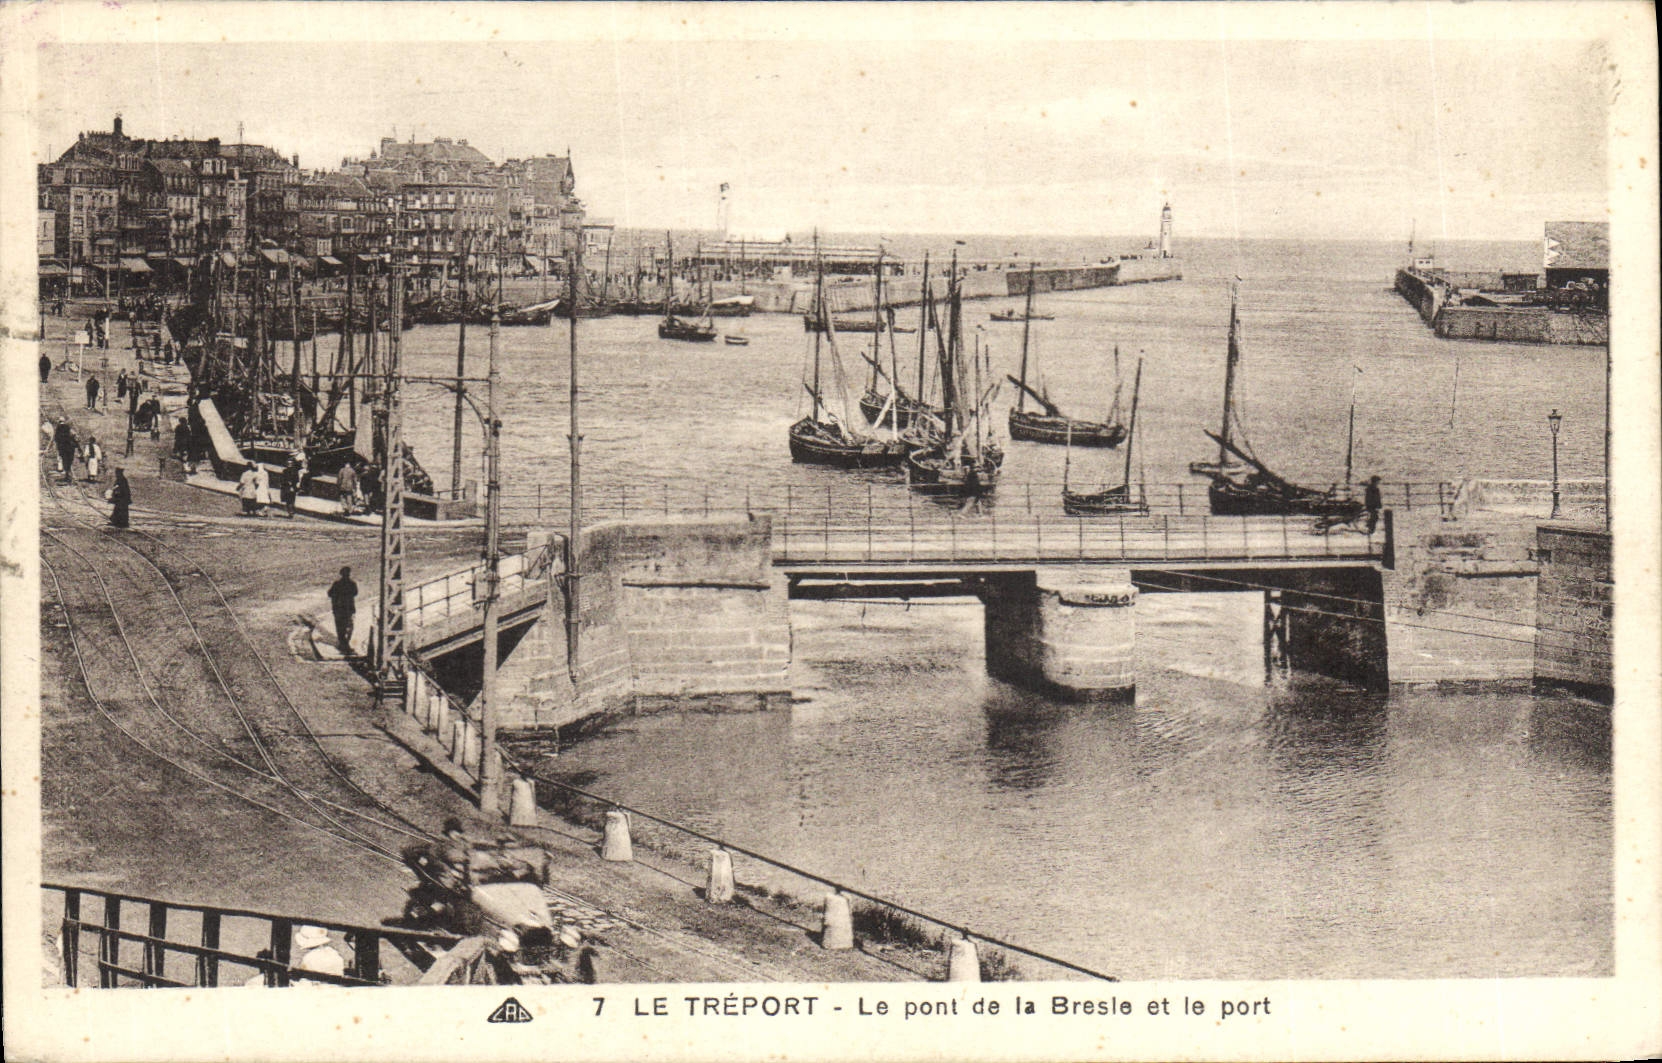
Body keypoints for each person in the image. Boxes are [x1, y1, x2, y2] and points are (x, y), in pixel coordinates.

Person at [328, 566, 358, 656]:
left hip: (338, 609)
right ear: (349, 574)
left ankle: (343, 644)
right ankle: (345, 644)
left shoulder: (337, 584)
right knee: (349, 627)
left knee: (340, 627)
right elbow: (355, 593)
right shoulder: (352, 584)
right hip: (349, 609)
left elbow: (329, 593)